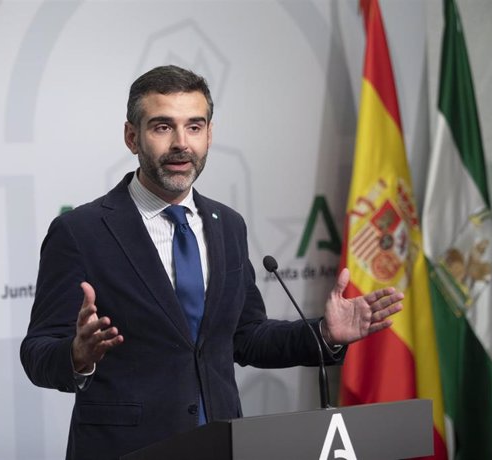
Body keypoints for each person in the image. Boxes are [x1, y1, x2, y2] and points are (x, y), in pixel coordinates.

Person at [20, 65, 403, 460]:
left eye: (195, 127)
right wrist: (77, 356)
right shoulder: (80, 230)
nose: (181, 144)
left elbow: (246, 336)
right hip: (126, 449)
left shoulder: (227, 226)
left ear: (210, 135)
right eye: (162, 127)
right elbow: (38, 351)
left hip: (223, 444)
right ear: (131, 137)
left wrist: (324, 334)